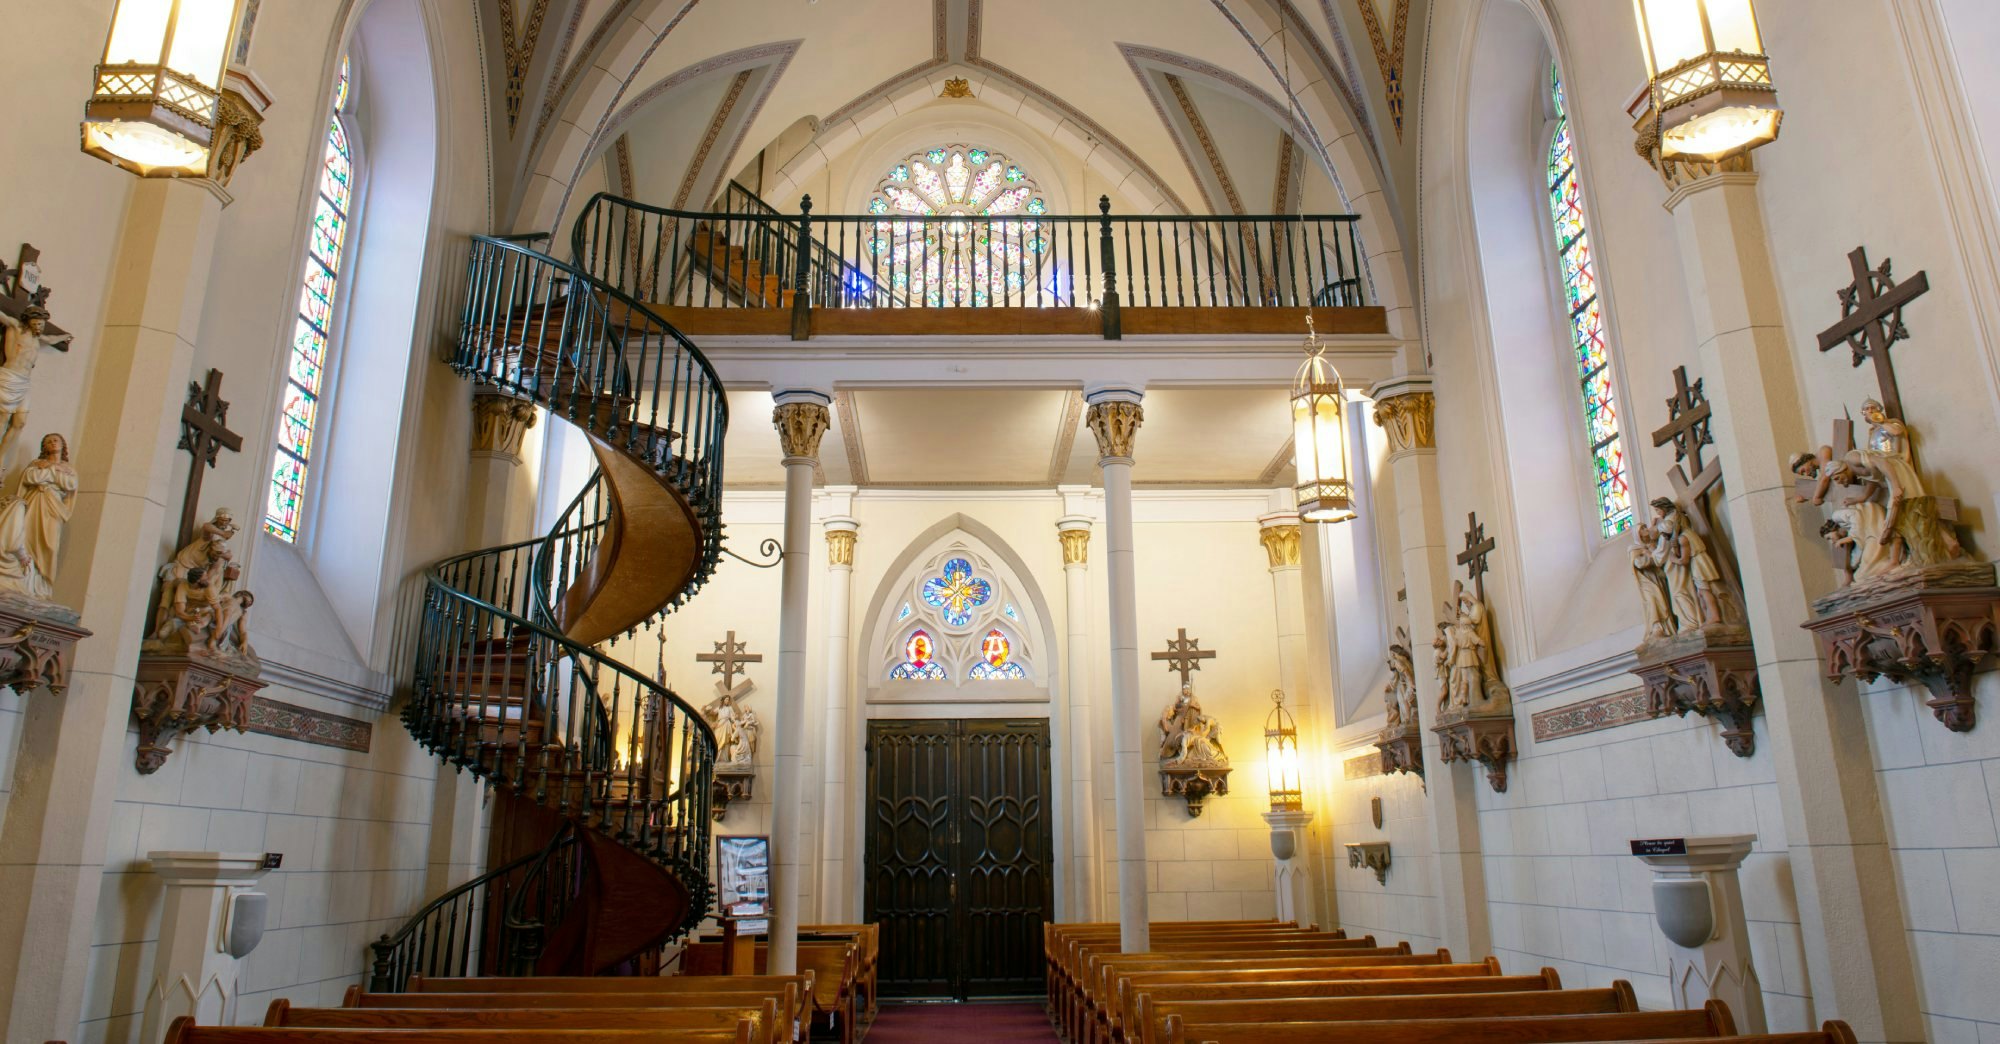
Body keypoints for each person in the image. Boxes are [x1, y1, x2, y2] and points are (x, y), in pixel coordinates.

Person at [0, 433, 77, 601]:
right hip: (35, 502)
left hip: (53, 508)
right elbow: (30, 477)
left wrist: (47, 472)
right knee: (26, 538)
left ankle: (42, 586)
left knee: (48, 545)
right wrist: (52, 471)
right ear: (44, 447)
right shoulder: (36, 464)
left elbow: (70, 484)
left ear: (63, 445)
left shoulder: (69, 469)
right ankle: (26, 581)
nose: (52, 443)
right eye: (48, 441)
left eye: (55, 440)